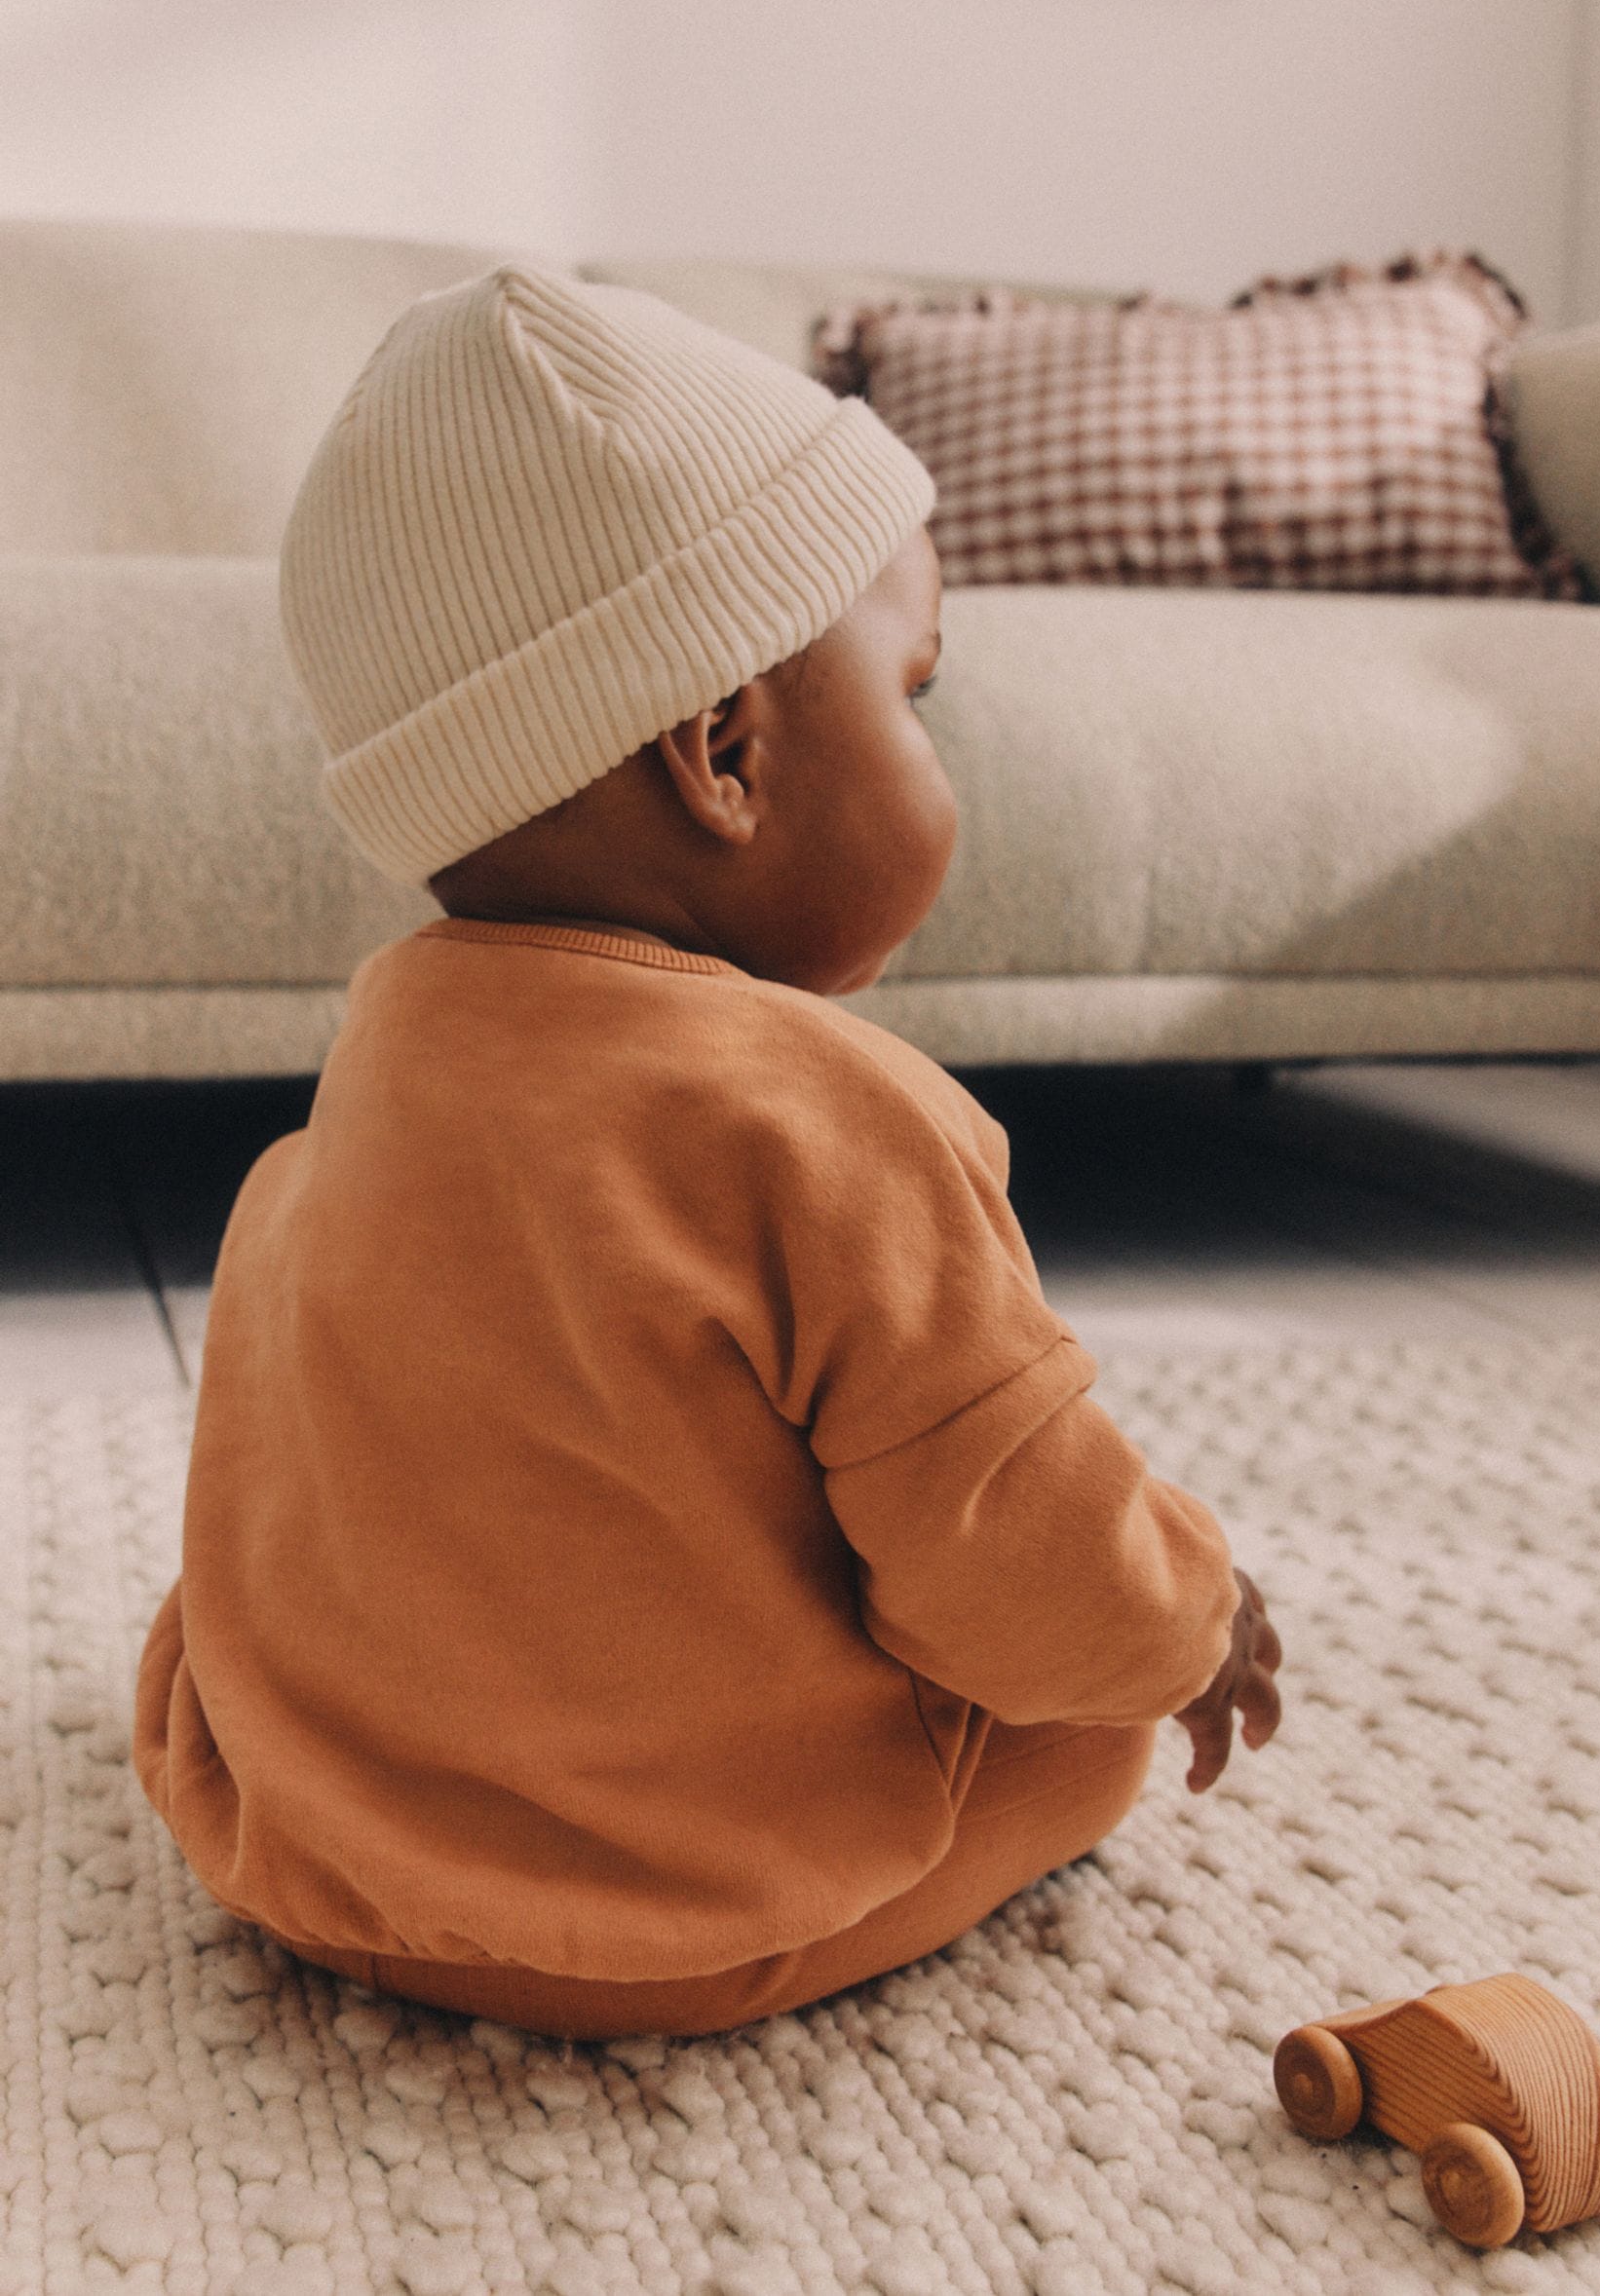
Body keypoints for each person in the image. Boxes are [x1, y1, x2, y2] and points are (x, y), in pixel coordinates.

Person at [133, 266, 1281, 2041]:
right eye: (917, 692)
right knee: (1083, 1736)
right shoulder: (829, 1121)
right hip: (687, 1921)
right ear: (729, 751)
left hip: (315, 1863)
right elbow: (1019, 1563)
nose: (938, 752)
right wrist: (1188, 1616)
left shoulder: (354, 1098)